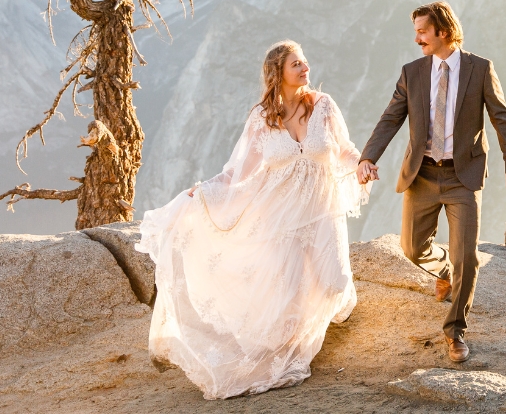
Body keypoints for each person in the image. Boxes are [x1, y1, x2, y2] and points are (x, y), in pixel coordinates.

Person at [136, 41, 370, 400]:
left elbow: (344, 149)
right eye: (296, 64)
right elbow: (237, 173)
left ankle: (305, 332)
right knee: (287, 293)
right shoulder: (263, 118)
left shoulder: (323, 106)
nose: (305, 68)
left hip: (321, 212)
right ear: (278, 73)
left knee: (334, 282)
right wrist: (203, 192)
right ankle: (288, 352)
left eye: (305, 62)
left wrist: (362, 165)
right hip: (279, 216)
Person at [356, 1, 506, 364]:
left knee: (468, 258)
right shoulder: (412, 72)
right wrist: (368, 157)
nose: (417, 39)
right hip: (423, 175)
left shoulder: (480, 69)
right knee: (412, 248)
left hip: (464, 176)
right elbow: (390, 117)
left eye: (422, 32)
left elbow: (500, 117)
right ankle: (444, 270)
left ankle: (455, 331)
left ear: (442, 31)